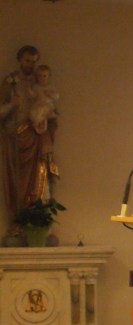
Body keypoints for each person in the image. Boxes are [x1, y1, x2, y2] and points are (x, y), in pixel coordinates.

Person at [1, 45, 59, 224]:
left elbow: (52, 109)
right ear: (20, 60)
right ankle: (17, 222)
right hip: (16, 137)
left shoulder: (41, 82)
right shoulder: (10, 82)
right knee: (17, 182)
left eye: (34, 62)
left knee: (40, 176)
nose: (31, 65)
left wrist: (47, 117)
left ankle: (39, 219)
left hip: (36, 135)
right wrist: (12, 105)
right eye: (27, 61)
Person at [29, 64, 58, 135]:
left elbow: (56, 96)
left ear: (48, 77)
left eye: (44, 76)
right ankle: (38, 124)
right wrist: (29, 90)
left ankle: (38, 123)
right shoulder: (36, 87)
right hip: (38, 104)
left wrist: (50, 94)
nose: (42, 78)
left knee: (42, 110)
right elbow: (33, 96)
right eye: (40, 76)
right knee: (33, 112)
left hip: (47, 105)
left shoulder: (50, 87)